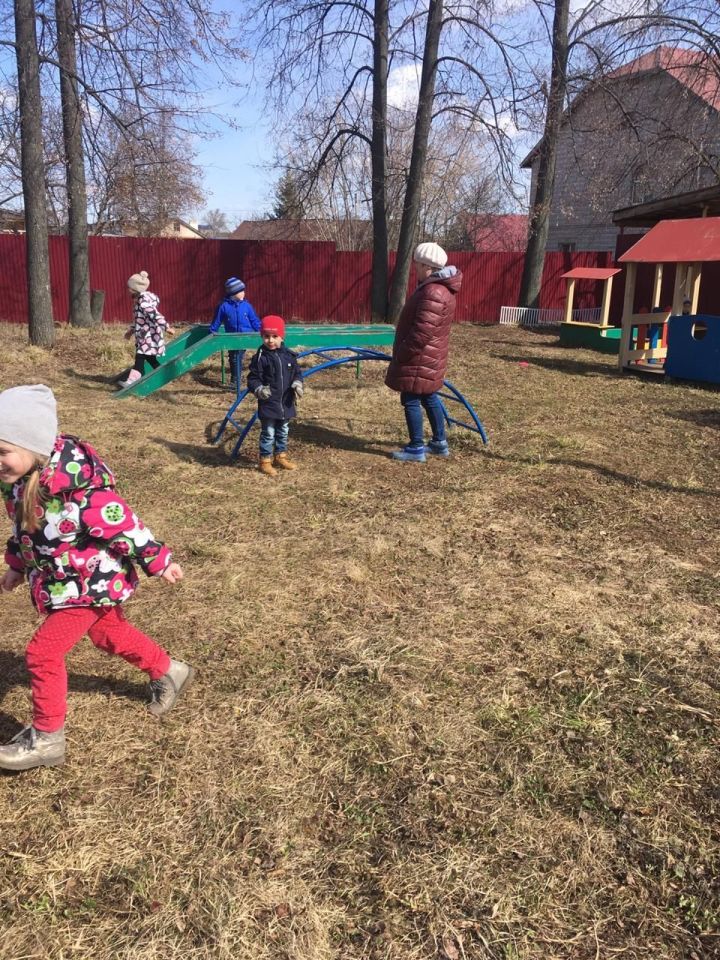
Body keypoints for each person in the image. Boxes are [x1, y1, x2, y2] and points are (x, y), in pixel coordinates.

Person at [0, 385, 193, 771]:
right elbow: (25, 530)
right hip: (64, 581)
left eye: (3, 450)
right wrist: (18, 565)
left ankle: (47, 738)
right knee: (108, 634)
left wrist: (158, 560)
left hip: (92, 583)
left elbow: (126, 526)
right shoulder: (19, 483)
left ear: (33, 445)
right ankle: (170, 671)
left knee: (43, 652)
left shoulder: (82, 492)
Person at [385, 242, 462, 462]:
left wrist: (403, 354)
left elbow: (422, 331)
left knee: (410, 398)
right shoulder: (438, 287)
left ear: (427, 265)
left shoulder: (434, 291)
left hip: (420, 357)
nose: (415, 269)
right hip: (428, 356)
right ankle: (439, 442)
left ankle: (416, 448)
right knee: (429, 396)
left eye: (417, 265)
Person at [247, 315, 303, 476]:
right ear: (262, 336)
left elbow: (297, 373)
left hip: (285, 401)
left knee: (283, 429)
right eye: (266, 336)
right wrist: (258, 389)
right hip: (269, 402)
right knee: (268, 432)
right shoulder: (260, 358)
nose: (270, 340)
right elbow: (253, 378)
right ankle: (265, 460)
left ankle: (281, 455)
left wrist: (298, 383)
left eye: (274, 336)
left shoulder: (289, 356)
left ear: (282, 336)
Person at [120, 271, 174, 389]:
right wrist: (130, 331)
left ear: (136, 289)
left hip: (149, 335)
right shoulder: (138, 300)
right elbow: (139, 320)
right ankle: (163, 375)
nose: (128, 289)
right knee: (150, 358)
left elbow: (155, 315)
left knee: (139, 357)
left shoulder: (144, 303)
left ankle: (132, 382)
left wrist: (166, 327)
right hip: (144, 335)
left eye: (130, 287)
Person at [209, 278, 261, 384]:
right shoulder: (224, 306)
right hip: (231, 337)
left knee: (238, 356)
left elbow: (254, 320)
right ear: (234, 293)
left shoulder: (247, 306)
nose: (244, 293)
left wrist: (260, 330)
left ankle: (237, 378)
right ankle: (235, 379)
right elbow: (217, 320)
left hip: (244, 336)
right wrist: (212, 331)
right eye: (241, 291)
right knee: (233, 357)